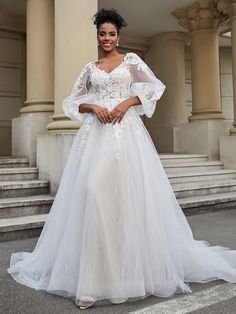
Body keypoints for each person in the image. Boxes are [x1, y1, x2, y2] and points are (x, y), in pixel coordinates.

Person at [8, 8, 236, 310]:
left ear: (119, 35)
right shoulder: (91, 67)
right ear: (98, 36)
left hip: (126, 136)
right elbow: (72, 101)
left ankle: (123, 281)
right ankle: (93, 281)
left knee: (122, 201)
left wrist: (128, 101)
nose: (106, 38)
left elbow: (155, 88)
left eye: (111, 33)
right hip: (95, 138)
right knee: (92, 194)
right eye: (102, 33)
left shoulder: (131, 61)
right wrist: (94, 107)